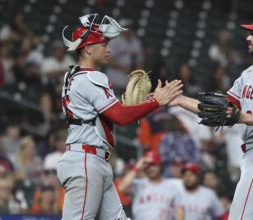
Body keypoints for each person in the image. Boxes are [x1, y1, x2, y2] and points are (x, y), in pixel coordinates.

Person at [169, 13, 253, 219]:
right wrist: (179, 100)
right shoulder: (248, 73)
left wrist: (241, 117)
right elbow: (220, 110)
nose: (248, 37)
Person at [57, 14, 182, 220]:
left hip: (92, 160)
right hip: (86, 161)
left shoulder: (72, 75)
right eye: (103, 43)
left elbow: (111, 111)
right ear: (88, 48)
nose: (109, 49)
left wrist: (145, 103)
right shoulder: (92, 76)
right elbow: (121, 117)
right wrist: (156, 102)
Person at [118, 151, 184, 220]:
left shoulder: (172, 186)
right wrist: (137, 166)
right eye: (148, 165)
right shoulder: (139, 184)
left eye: (154, 164)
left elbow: (180, 210)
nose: (151, 168)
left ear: (160, 166)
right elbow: (122, 187)